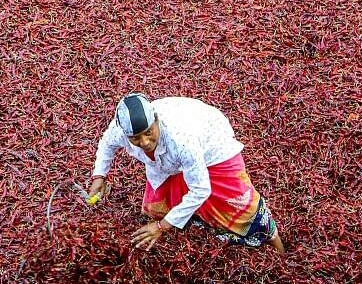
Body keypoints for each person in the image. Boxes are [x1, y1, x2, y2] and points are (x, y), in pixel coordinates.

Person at [87, 93, 284, 253]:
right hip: (175, 159)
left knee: (241, 207)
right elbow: (107, 144)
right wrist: (99, 176)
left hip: (212, 147)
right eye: (136, 138)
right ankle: (190, 221)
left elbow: (200, 189)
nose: (145, 142)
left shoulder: (181, 140)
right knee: (163, 203)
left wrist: (161, 227)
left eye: (149, 132)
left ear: (157, 119)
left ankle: (278, 247)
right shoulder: (120, 130)